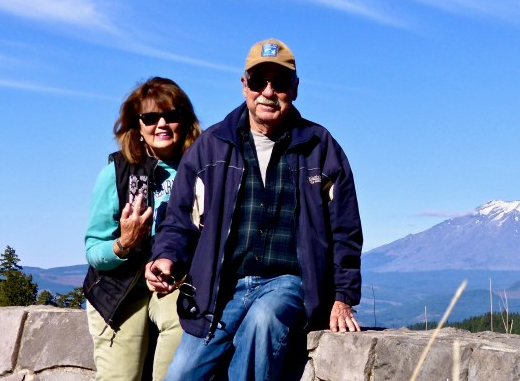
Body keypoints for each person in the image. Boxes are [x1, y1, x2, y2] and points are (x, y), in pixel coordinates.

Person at [146, 38, 363, 380]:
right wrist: (166, 258)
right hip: (220, 288)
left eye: (280, 83)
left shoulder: (320, 147)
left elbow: (345, 229)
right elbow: (179, 222)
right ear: (244, 85)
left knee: (261, 324)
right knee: (181, 373)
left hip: (288, 283)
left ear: (295, 88)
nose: (268, 92)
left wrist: (343, 296)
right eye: (259, 81)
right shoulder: (211, 147)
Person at [83, 77, 202, 380]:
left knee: (183, 330)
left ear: (184, 121)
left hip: (174, 285)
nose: (161, 124)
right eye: (150, 118)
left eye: (171, 116)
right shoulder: (116, 173)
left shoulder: (202, 170)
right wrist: (123, 243)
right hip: (119, 292)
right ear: (137, 125)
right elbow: (93, 250)